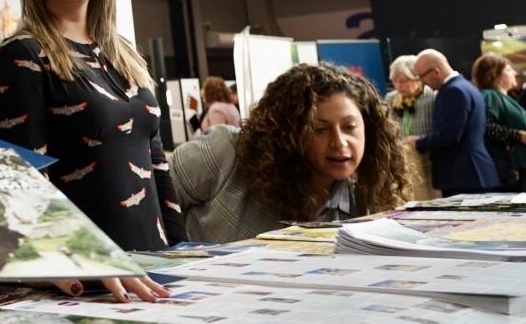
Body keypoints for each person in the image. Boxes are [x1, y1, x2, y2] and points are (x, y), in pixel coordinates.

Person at [0, 0, 185, 256]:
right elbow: (27, 184)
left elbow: (158, 167)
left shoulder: (123, 52)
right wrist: (85, 272)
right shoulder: (23, 56)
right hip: (94, 276)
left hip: (157, 264)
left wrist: (184, 252)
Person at [172, 63, 412, 243]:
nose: (339, 143)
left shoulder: (364, 200)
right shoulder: (225, 153)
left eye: (350, 127)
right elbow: (140, 204)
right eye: (320, 129)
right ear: (287, 133)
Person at [412, 48, 500, 195]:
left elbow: (449, 135)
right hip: (471, 174)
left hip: (464, 176)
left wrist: (417, 142)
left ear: (436, 72)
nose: (423, 83)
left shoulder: (454, 91)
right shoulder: (464, 86)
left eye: (422, 77)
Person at [471, 53, 526, 191]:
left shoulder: (503, 96)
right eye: (508, 69)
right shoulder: (490, 95)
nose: (514, 72)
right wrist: (518, 135)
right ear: (494, 74)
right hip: (508, 170)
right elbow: (487, 127)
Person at [385, 54, 437, 199]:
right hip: (403, 158)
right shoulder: (390, 98)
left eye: (403, 81)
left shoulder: (431, 96)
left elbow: (438, 131)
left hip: (427, 157)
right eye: (394, 81)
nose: (398, 86)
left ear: (417, 78)